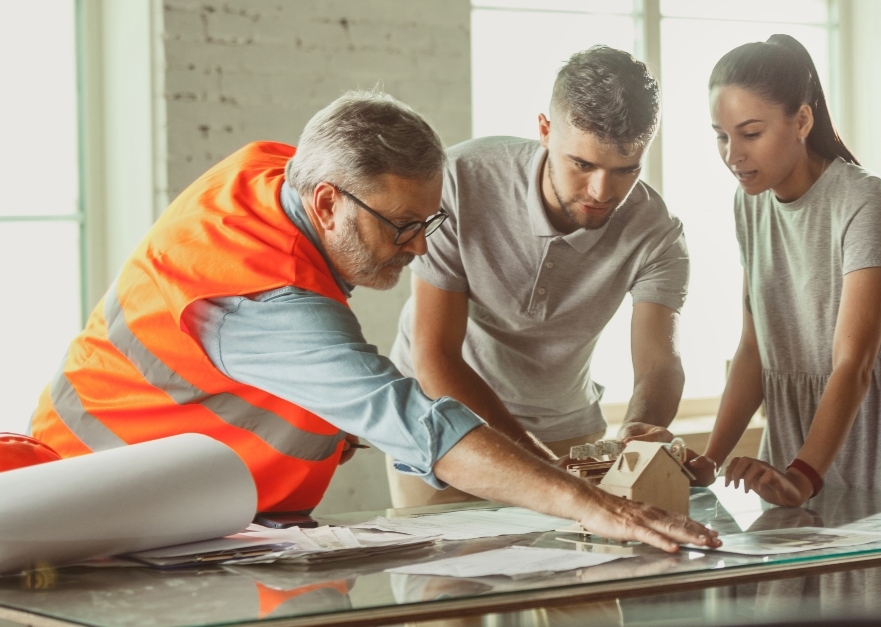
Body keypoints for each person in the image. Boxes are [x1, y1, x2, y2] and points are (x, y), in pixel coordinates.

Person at [27, 89, 719, 553]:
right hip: (85, 514)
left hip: (178, 511)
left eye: (430, 221)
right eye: (403, 226)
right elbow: (417, 419)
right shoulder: (265, 295)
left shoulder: (276, 178)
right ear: (327, 203)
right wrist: (593, 506)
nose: (420, 245)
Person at [690, 35, 881, 608]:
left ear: (802, 120)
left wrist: (802, 474)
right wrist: (709, 459)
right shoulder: (748, 202)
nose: (733, 153)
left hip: (878, 437)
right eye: (721, 137)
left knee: (880, 610)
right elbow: (756, 347)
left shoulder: (865, 201)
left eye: (750, 133)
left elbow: (855, 362)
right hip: (799, 436)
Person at [388, 46, 690, 507]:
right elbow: (435, 357)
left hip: (568, 430)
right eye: (583, 165)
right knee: (441, 578)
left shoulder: (657, 232)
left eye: (625, 170)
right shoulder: (459, 182)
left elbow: (658, 363)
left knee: (571, 575)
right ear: (545, 131)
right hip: (442, 418)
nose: (601, 192)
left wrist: (639, 426)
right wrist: (535, 463)